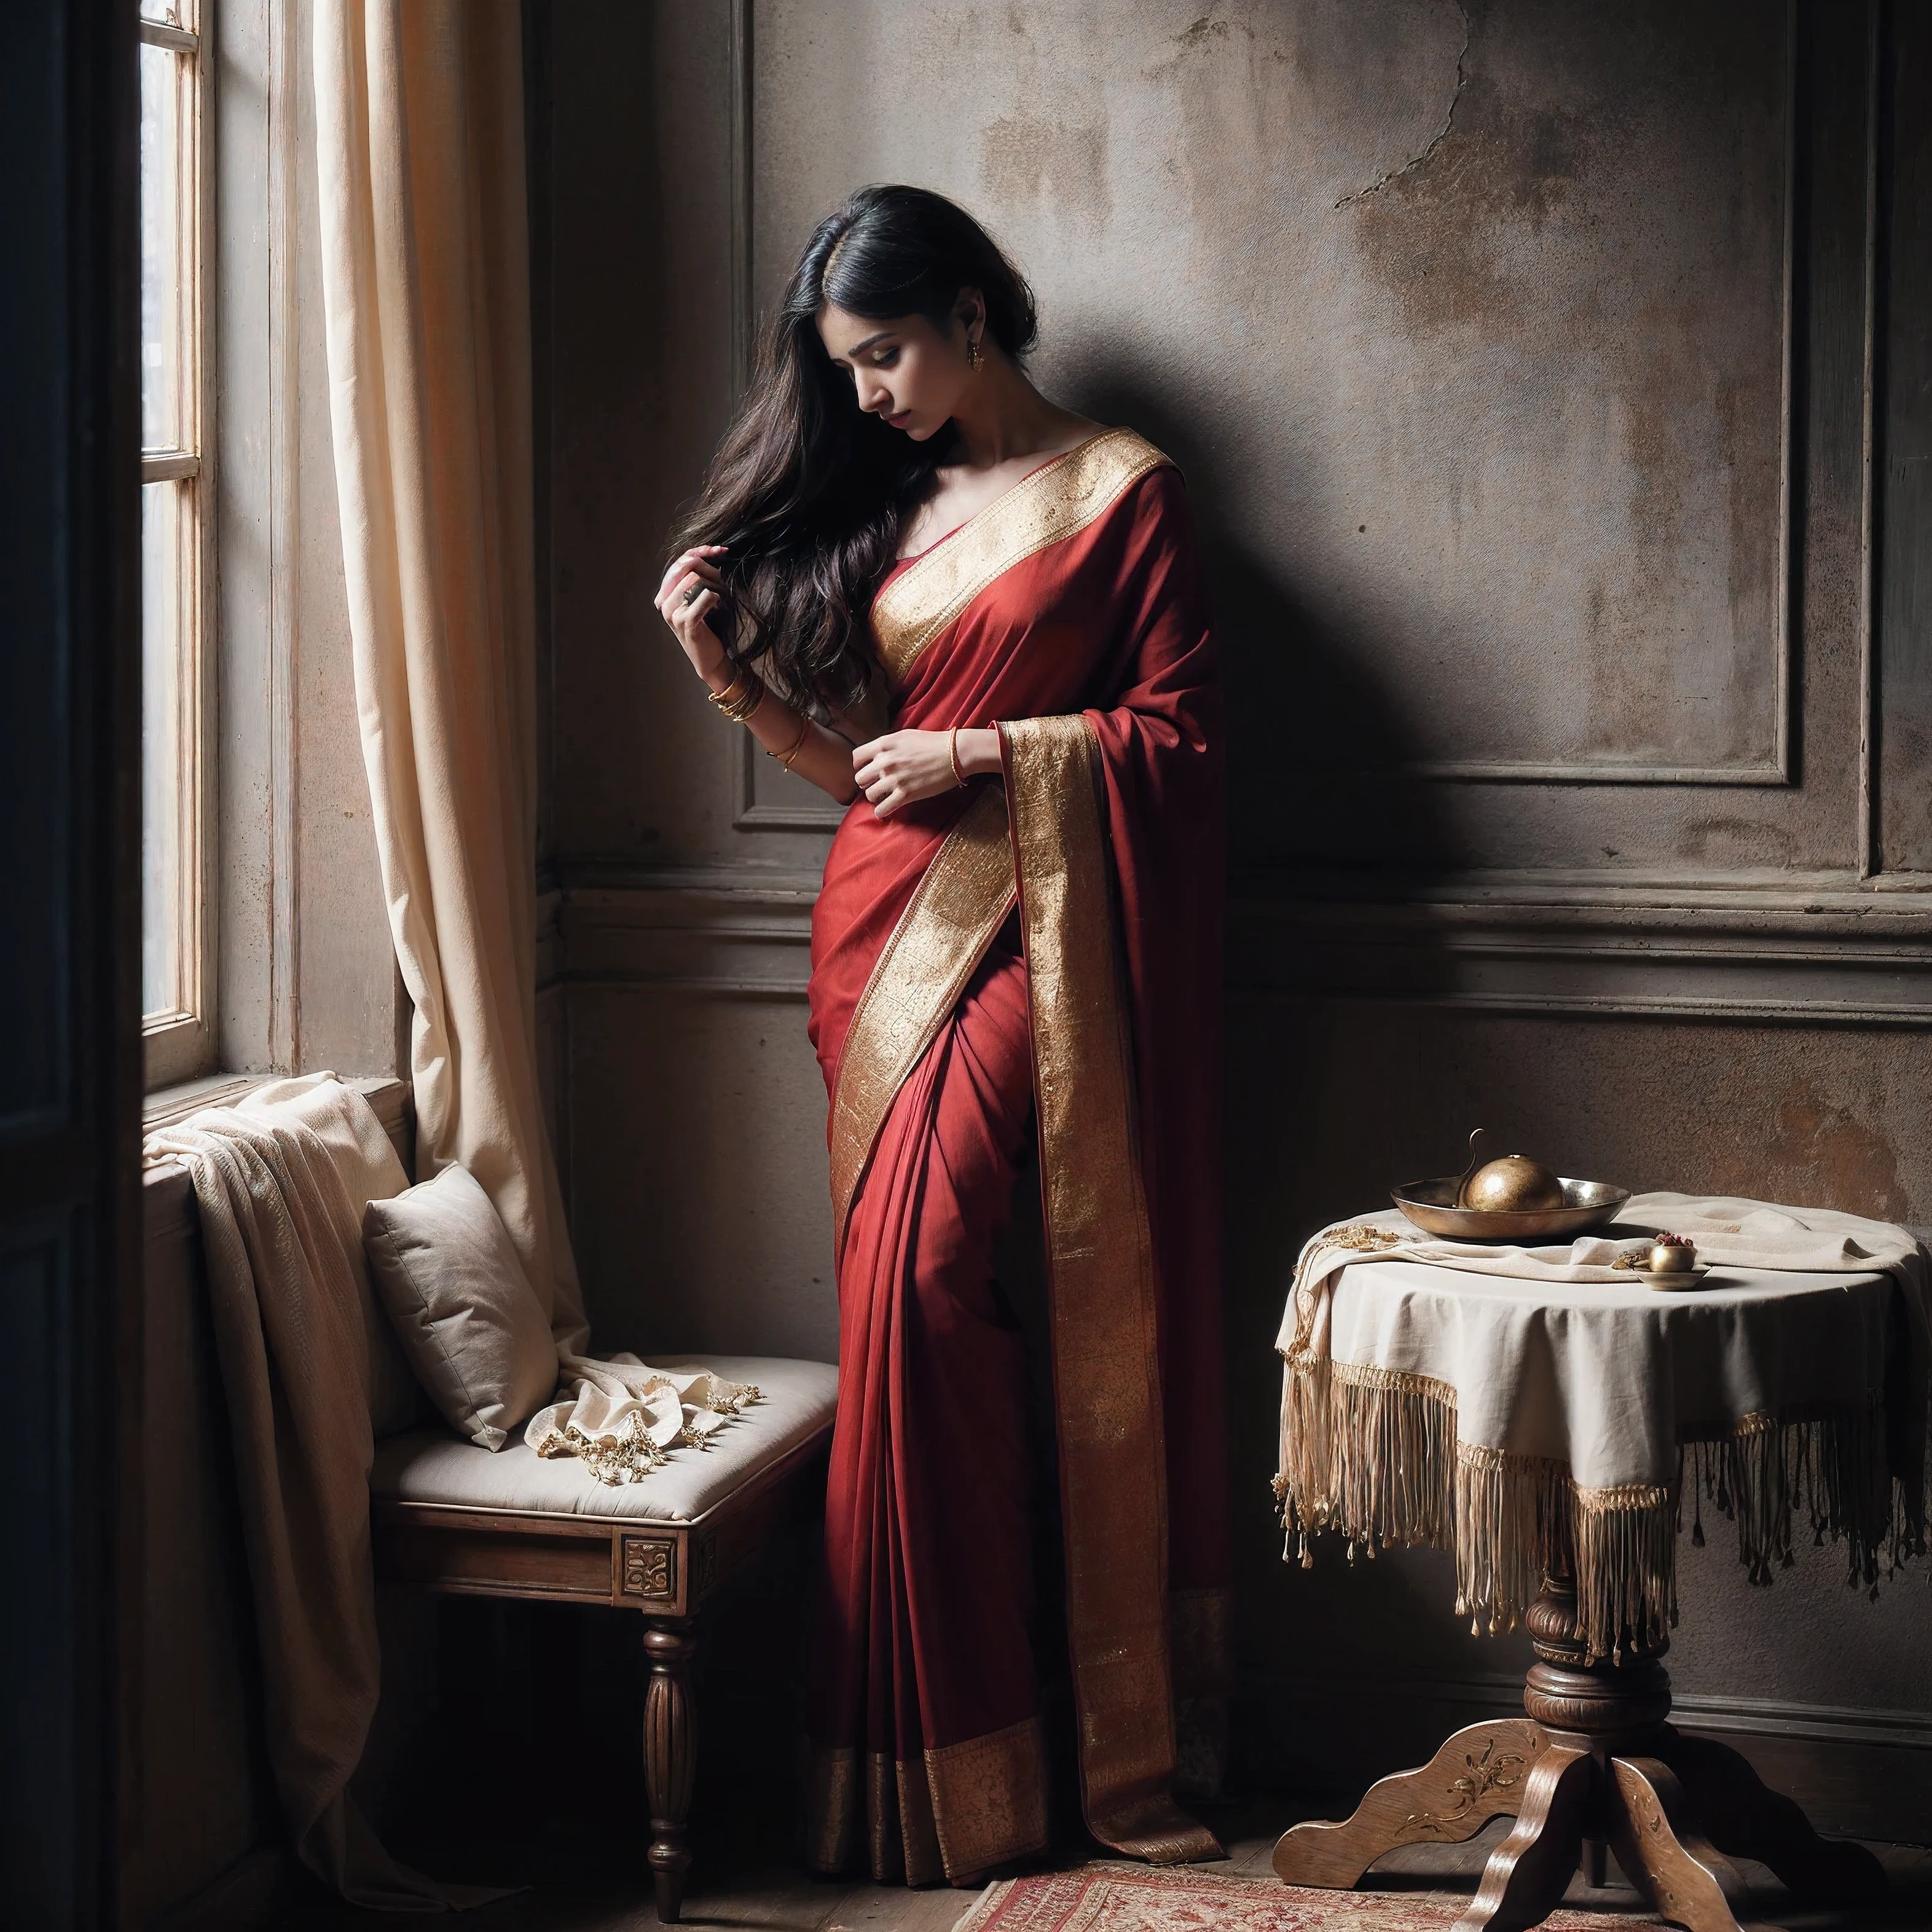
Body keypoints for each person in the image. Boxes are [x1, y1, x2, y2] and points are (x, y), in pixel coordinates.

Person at [654, 184, 1230, 1887]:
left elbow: (1183, 747)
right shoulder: (892, 503)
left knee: (928, 1293)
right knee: (913, 1323)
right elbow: (862, 775)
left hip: (1034, 945)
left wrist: (992, 757)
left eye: (887, 355)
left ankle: (1019, 1742)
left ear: (977, 314)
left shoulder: (1126, 493)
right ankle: (941, 1775)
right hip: (875, 934)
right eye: (843, 372)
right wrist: (726, 673)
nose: (868, 397)